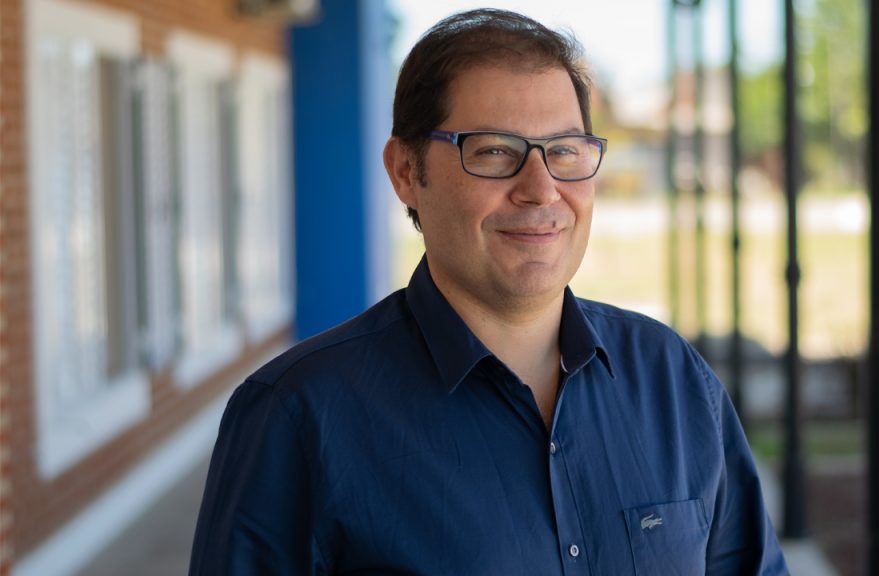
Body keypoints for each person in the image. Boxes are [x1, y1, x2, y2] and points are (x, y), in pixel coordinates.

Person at [189, 8, 788, 575]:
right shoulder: (298, 414)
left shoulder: (674, 379)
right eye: (495, 151)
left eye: (564, 151)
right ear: (406, 172)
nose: (541, 189)